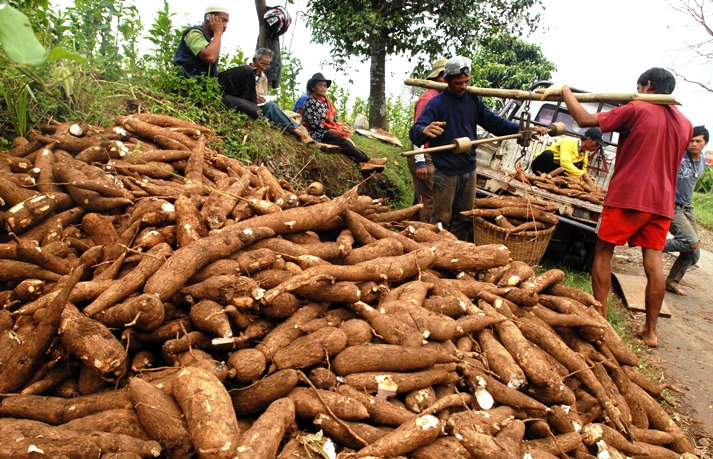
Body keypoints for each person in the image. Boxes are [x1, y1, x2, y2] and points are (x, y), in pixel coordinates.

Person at [543, 68, 693, 347]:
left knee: (602, 251)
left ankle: (600, 321)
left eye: (638, 85)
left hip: (629, 196)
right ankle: (650, 332)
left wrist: (565, 91)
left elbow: (585, 119)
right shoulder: (685, 123)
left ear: (647, 86)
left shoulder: (637, 108)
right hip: (661, 203)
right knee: (654, 262)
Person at [409, 56, 546, 240]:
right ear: (448, 79)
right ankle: (436, 254)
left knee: (465, 218)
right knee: (441, 219)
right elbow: (415, 131)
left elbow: (494, 123)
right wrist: (424, 130)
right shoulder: (436, 104)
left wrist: (521, 129)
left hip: (469, 169)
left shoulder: (472, 100)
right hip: (446, 172)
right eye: (458, 82)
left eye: (466, 81)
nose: (463, 86)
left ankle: (460, 253)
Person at [173, 7, 322, 147]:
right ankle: (257, 113)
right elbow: (210, 57)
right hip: (197, 84)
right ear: (209, 18)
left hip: (212, 87)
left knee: (246, 74)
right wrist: (217, 34)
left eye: (227, 22)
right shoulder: (193, 33)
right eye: (222, 20)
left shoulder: (260, 76)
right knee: (253, 102)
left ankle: (263, 114)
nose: (225, 26)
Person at [301, 73, 387, 173]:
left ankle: (363, 163)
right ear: (312, 87)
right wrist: (330, 130)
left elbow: (335, 115)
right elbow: (314, 124)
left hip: (328, 129)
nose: (323, 88)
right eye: (320, 85)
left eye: (325, 86)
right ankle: (367, 160)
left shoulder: (325, 100)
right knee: (342, 142)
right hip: (317, 133)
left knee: (347, 143)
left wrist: (332, 117)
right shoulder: (310, 102)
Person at [664, 125, 709, 297]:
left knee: (694, 253)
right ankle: (651, 246)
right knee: (690, 242)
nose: (694, 144)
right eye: (691, 140)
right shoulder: (679, 155)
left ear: (705, 143)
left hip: (687, 207)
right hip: (672, 205)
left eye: (698, 141)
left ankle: (672, 282)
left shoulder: (703, 161)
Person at [408, 57, 447, 222]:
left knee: (422, 198)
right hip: (424, 153)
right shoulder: (428, 98)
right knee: (430, 202)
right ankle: (424, 241)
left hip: (432, 154)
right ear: (441, 77)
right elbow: (418, 131)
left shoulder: (439, 97)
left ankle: (408, 230)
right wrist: (420, 161)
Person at [530, 127, 605, 183]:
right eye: (597, 144)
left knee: (576, 167)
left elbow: (583, 169)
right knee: (548, 154)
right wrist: (583, 174)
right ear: (589, 139)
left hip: (556, 169)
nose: (597, 147)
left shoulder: (585, 152)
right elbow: (565, 163)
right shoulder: (568, 142)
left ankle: (550, 180)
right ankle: (543, 179)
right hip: (541, 165)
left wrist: (586, 181)